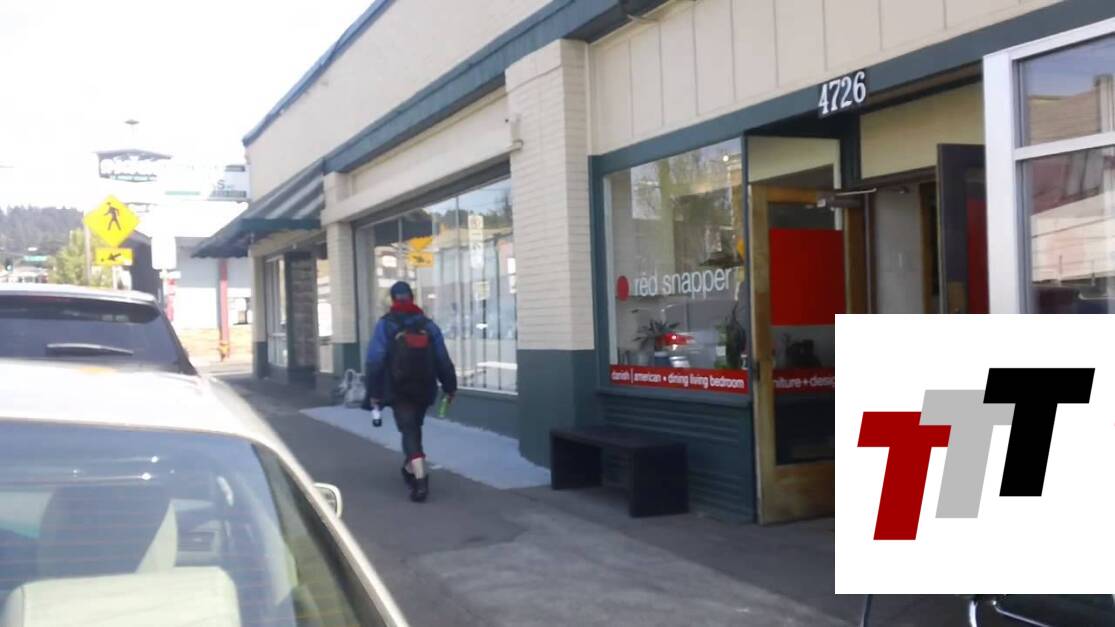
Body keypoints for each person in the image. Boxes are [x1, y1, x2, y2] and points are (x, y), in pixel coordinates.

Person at [362, 281, 456, 502]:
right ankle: (410, 467)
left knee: (409, 430)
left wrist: (374, 392)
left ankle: (420, 481)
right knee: (413, 427)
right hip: (425, 387)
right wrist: (450, 386)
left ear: (393, 300)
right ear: (412, 298)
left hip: (398, 388)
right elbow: (442, 359)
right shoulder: (428, 326)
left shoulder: (386, 325)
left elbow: (375, 360)